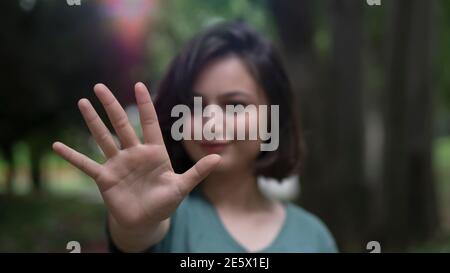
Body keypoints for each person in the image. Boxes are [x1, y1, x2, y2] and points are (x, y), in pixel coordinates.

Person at [52, 21, 338, 253]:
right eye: (192, 105)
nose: (209, 122)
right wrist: (134, 225)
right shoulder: (162, 212)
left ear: (274, 117)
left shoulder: (314, 237)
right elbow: (138, 231)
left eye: (235, 105)